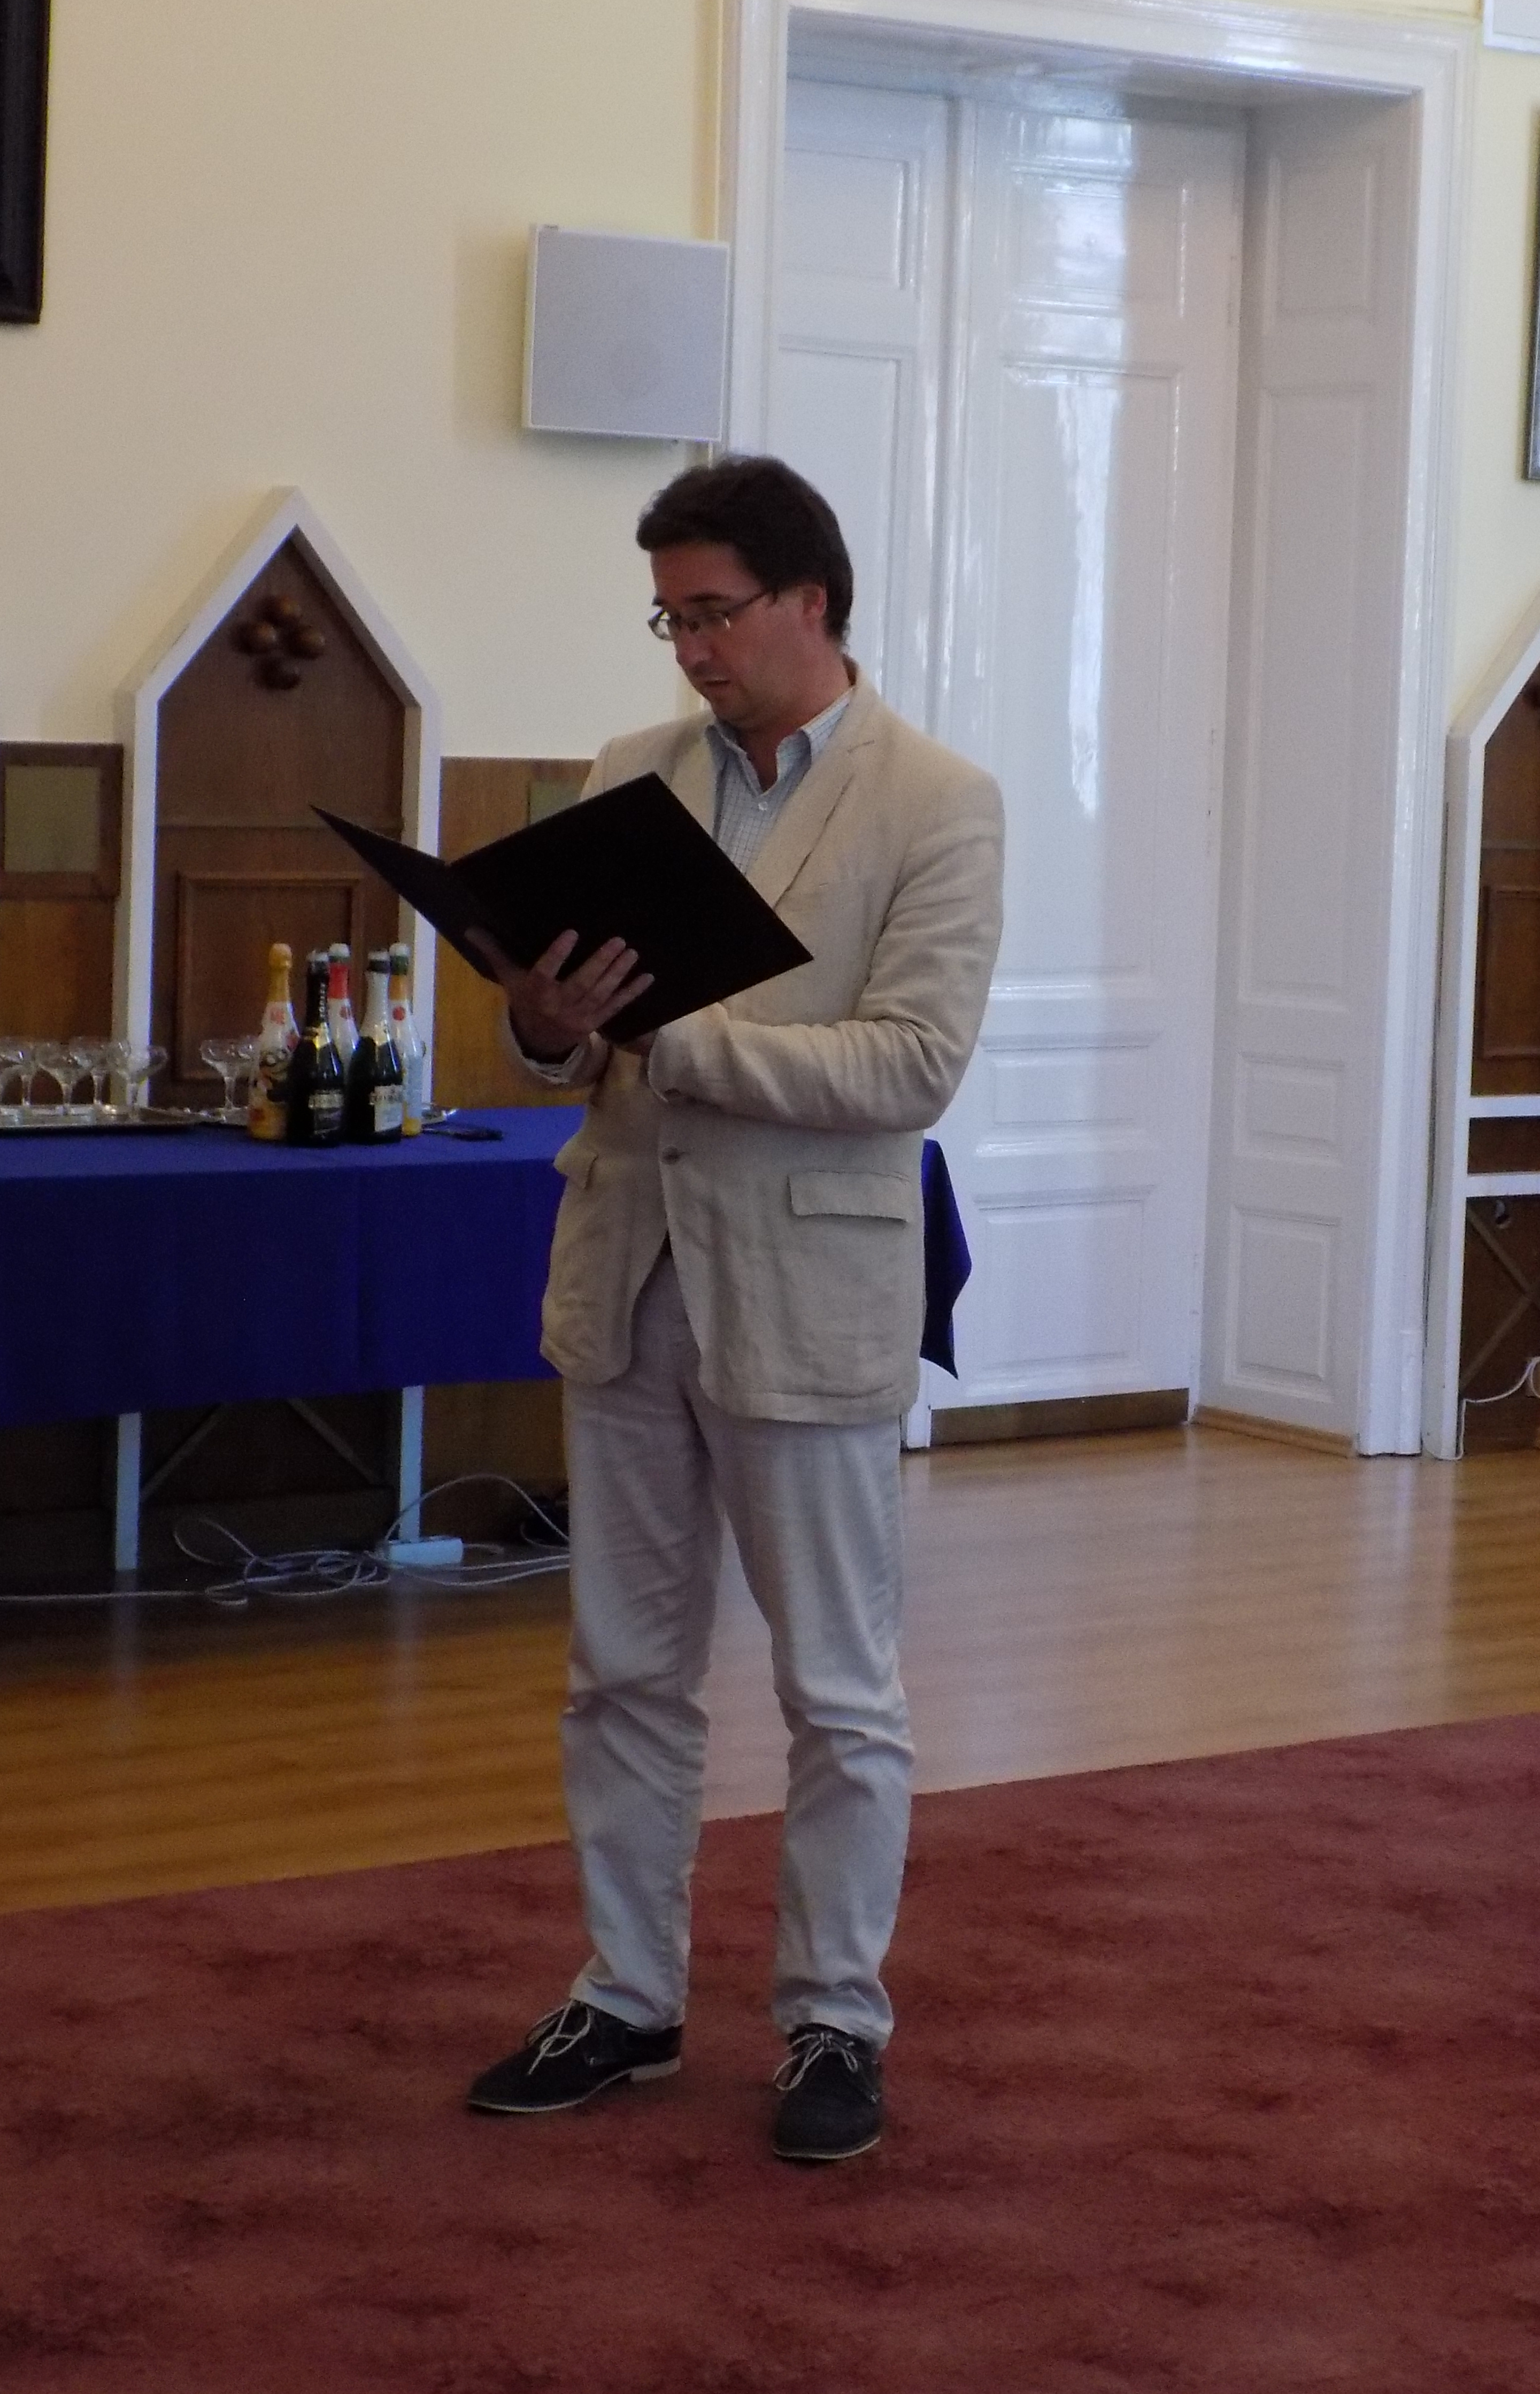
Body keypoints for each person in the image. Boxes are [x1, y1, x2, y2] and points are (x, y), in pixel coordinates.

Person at [465, 455, 1003, 2164]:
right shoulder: (630, 774)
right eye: (669, 620)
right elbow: (559, 1048)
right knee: (621, 1670)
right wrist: (546, 1022)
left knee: (837, 1689)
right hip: (630, 1270)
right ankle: (625, 1995)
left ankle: (835, 2019)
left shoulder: (940, 800)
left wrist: (676, 1040)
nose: (690, 649)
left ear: (809, 601)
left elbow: (909, 1067)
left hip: (810, 1280)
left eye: (712, 613)